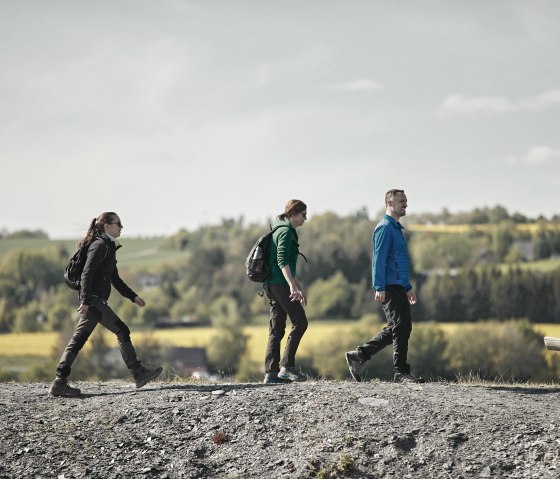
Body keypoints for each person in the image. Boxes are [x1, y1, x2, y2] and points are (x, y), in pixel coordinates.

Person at [49, 212, 162, 397]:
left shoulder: (108, 246)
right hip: (93, 301)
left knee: (77, 340)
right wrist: (85, 301)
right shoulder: (100, 245)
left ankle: (59, 382)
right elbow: (86, 273)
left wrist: (133, 297)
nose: (121, 227)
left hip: (94, 301)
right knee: (122, 330)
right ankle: (138, 372)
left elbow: (115, 279)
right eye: (119, 224)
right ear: (107, 226)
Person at [345, 189, 424, 383]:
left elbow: (399, 262)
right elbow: (378, 260)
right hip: (388, 286)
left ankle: (359, 356)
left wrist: (407, 287)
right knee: (401, 326)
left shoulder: (396, 228)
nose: (405, 204)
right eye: (401, 201)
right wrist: (378, 286)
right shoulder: (384, 228)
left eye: (406, 201)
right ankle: (401, 372)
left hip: (398, 285)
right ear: (389, 203)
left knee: (398, 327)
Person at [262, 199, 309, 384]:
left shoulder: (278, 228)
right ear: (293, 214)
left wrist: (296, 284)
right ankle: (286, 367)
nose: (306, 218)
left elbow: (281, 263)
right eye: (303, 215)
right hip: (280, 284)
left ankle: (271, 374)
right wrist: (291, 285)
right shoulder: (286, 232)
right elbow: (282, 260)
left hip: (272, 284)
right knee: (300, 322)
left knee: (277, 328)